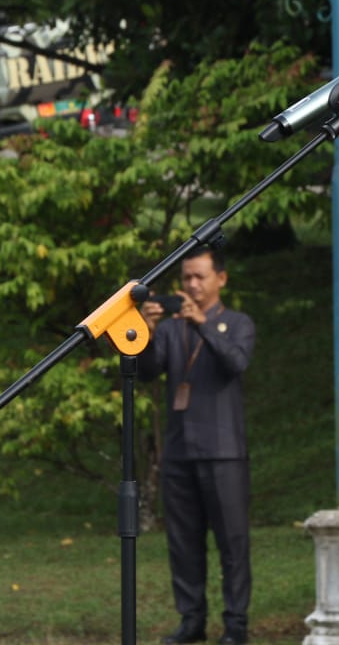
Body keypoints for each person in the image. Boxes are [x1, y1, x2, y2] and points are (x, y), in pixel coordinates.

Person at [138, 247, 256, 645]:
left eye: (200, 277)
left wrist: (203, 323)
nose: (192, 285)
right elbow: (146, 371)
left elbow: (236, 363)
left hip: (224, 452)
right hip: (179, 451)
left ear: (220, 279)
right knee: (183, 544)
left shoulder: (237, 323)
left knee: (232, 543)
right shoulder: (171, 328)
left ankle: (235, 624)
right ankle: (192, 620)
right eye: (186, 277)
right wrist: (148, 331)